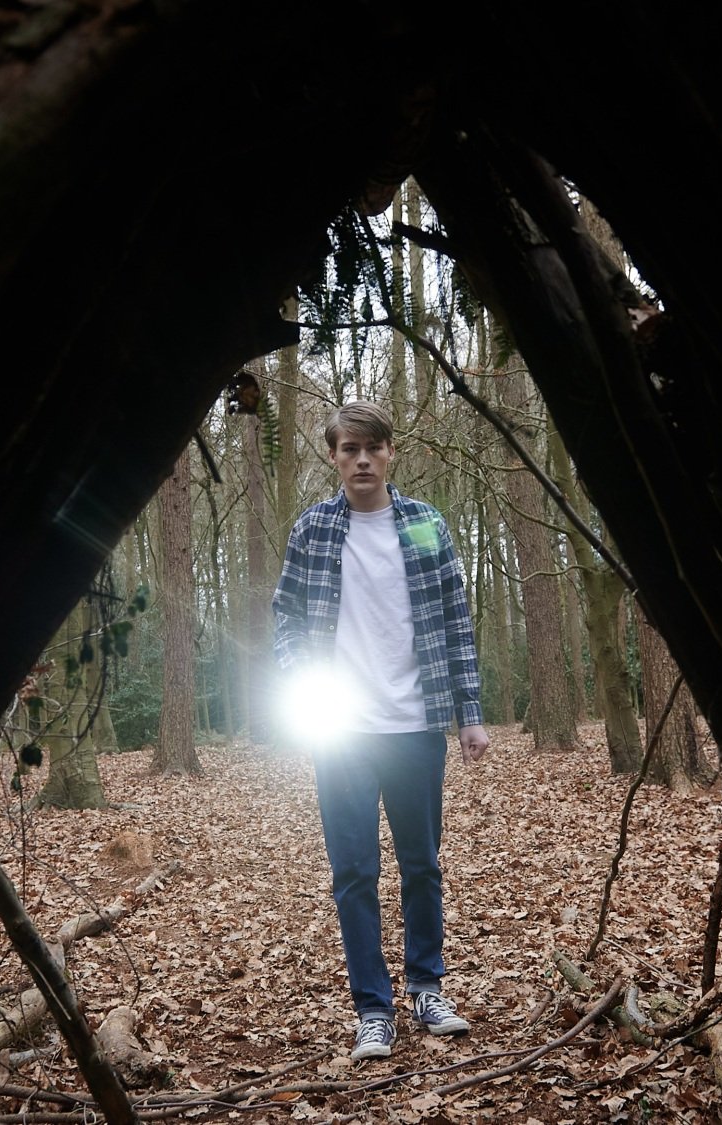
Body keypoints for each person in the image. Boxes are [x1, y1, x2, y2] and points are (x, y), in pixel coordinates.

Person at [272, 401, 491, 1062]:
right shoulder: (313, 528)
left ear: (390, 452)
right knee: (354, 871)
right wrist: (296, 678)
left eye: (372, 447)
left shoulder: (425, 525)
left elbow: (455, 615)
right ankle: (372, 1008)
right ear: (335, 457)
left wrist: (471, 712)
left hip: (417, 723)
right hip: (341, 733)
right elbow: (285, 616)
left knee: (422, 865)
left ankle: (427, 987)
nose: (361, 459)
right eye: (349, 449)